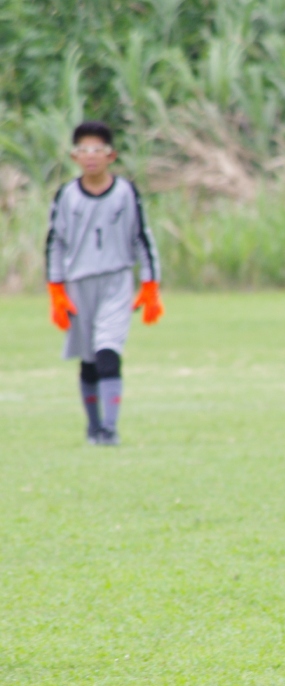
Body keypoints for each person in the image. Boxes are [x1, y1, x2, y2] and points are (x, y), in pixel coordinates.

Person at [45, 120, 164, 445]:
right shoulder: (67, 196)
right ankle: (94, 427)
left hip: (116, 281)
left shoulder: (125, 193)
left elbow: (142, 238)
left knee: (108, 351)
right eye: (84, 150)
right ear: (75, 156)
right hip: (78, 283)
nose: (91, 156)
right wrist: (55, 289)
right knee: (88, 360)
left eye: (98, 149)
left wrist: (150, 285)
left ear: (111, 155)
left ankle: (110, 429)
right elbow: (55, 243)